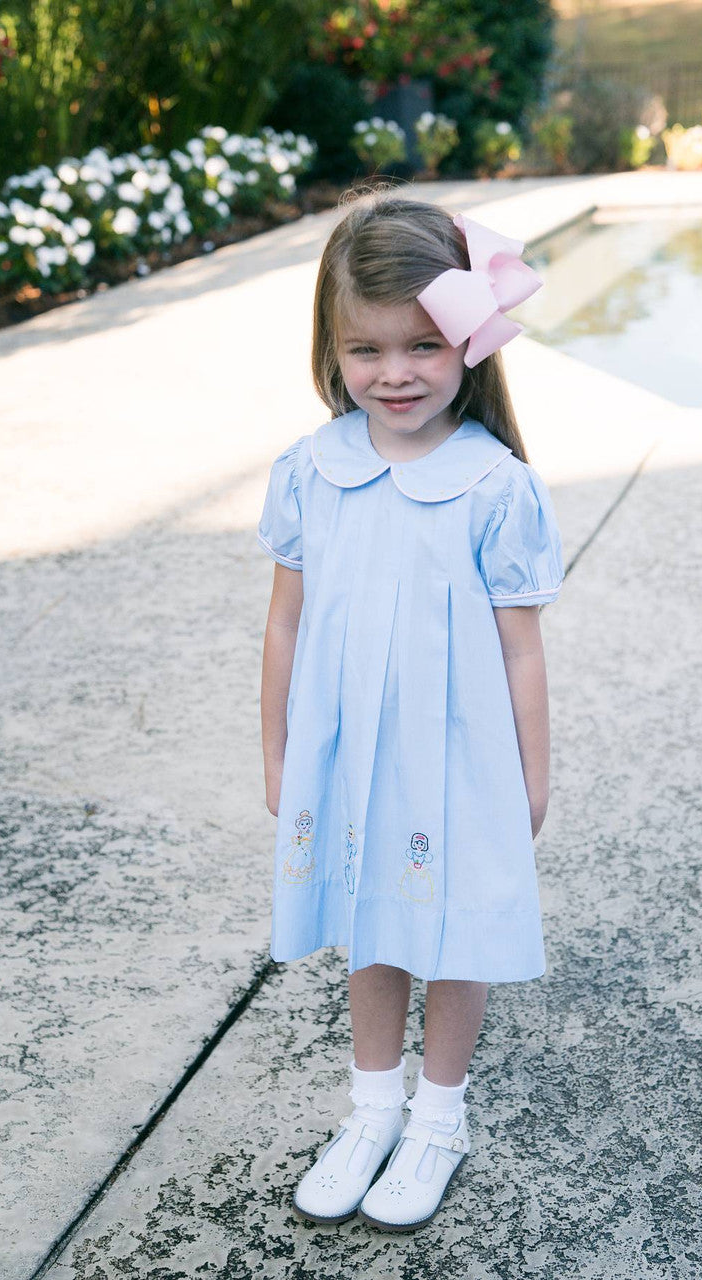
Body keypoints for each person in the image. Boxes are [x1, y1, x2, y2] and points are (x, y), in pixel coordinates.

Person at [257, 187, 565, 1232]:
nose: (395, 373)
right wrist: (278, 749)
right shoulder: (313, 471)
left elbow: (520, 646)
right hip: (351, 754)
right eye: (367, 348)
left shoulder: (493, 486)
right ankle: (373, 1107)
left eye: (423, 345)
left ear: (469, 342)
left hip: (461, 757)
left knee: (453, 931)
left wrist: (530, 777)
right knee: (372, 923)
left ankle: (438, 1115)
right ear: (332, 347)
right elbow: (286, 623)